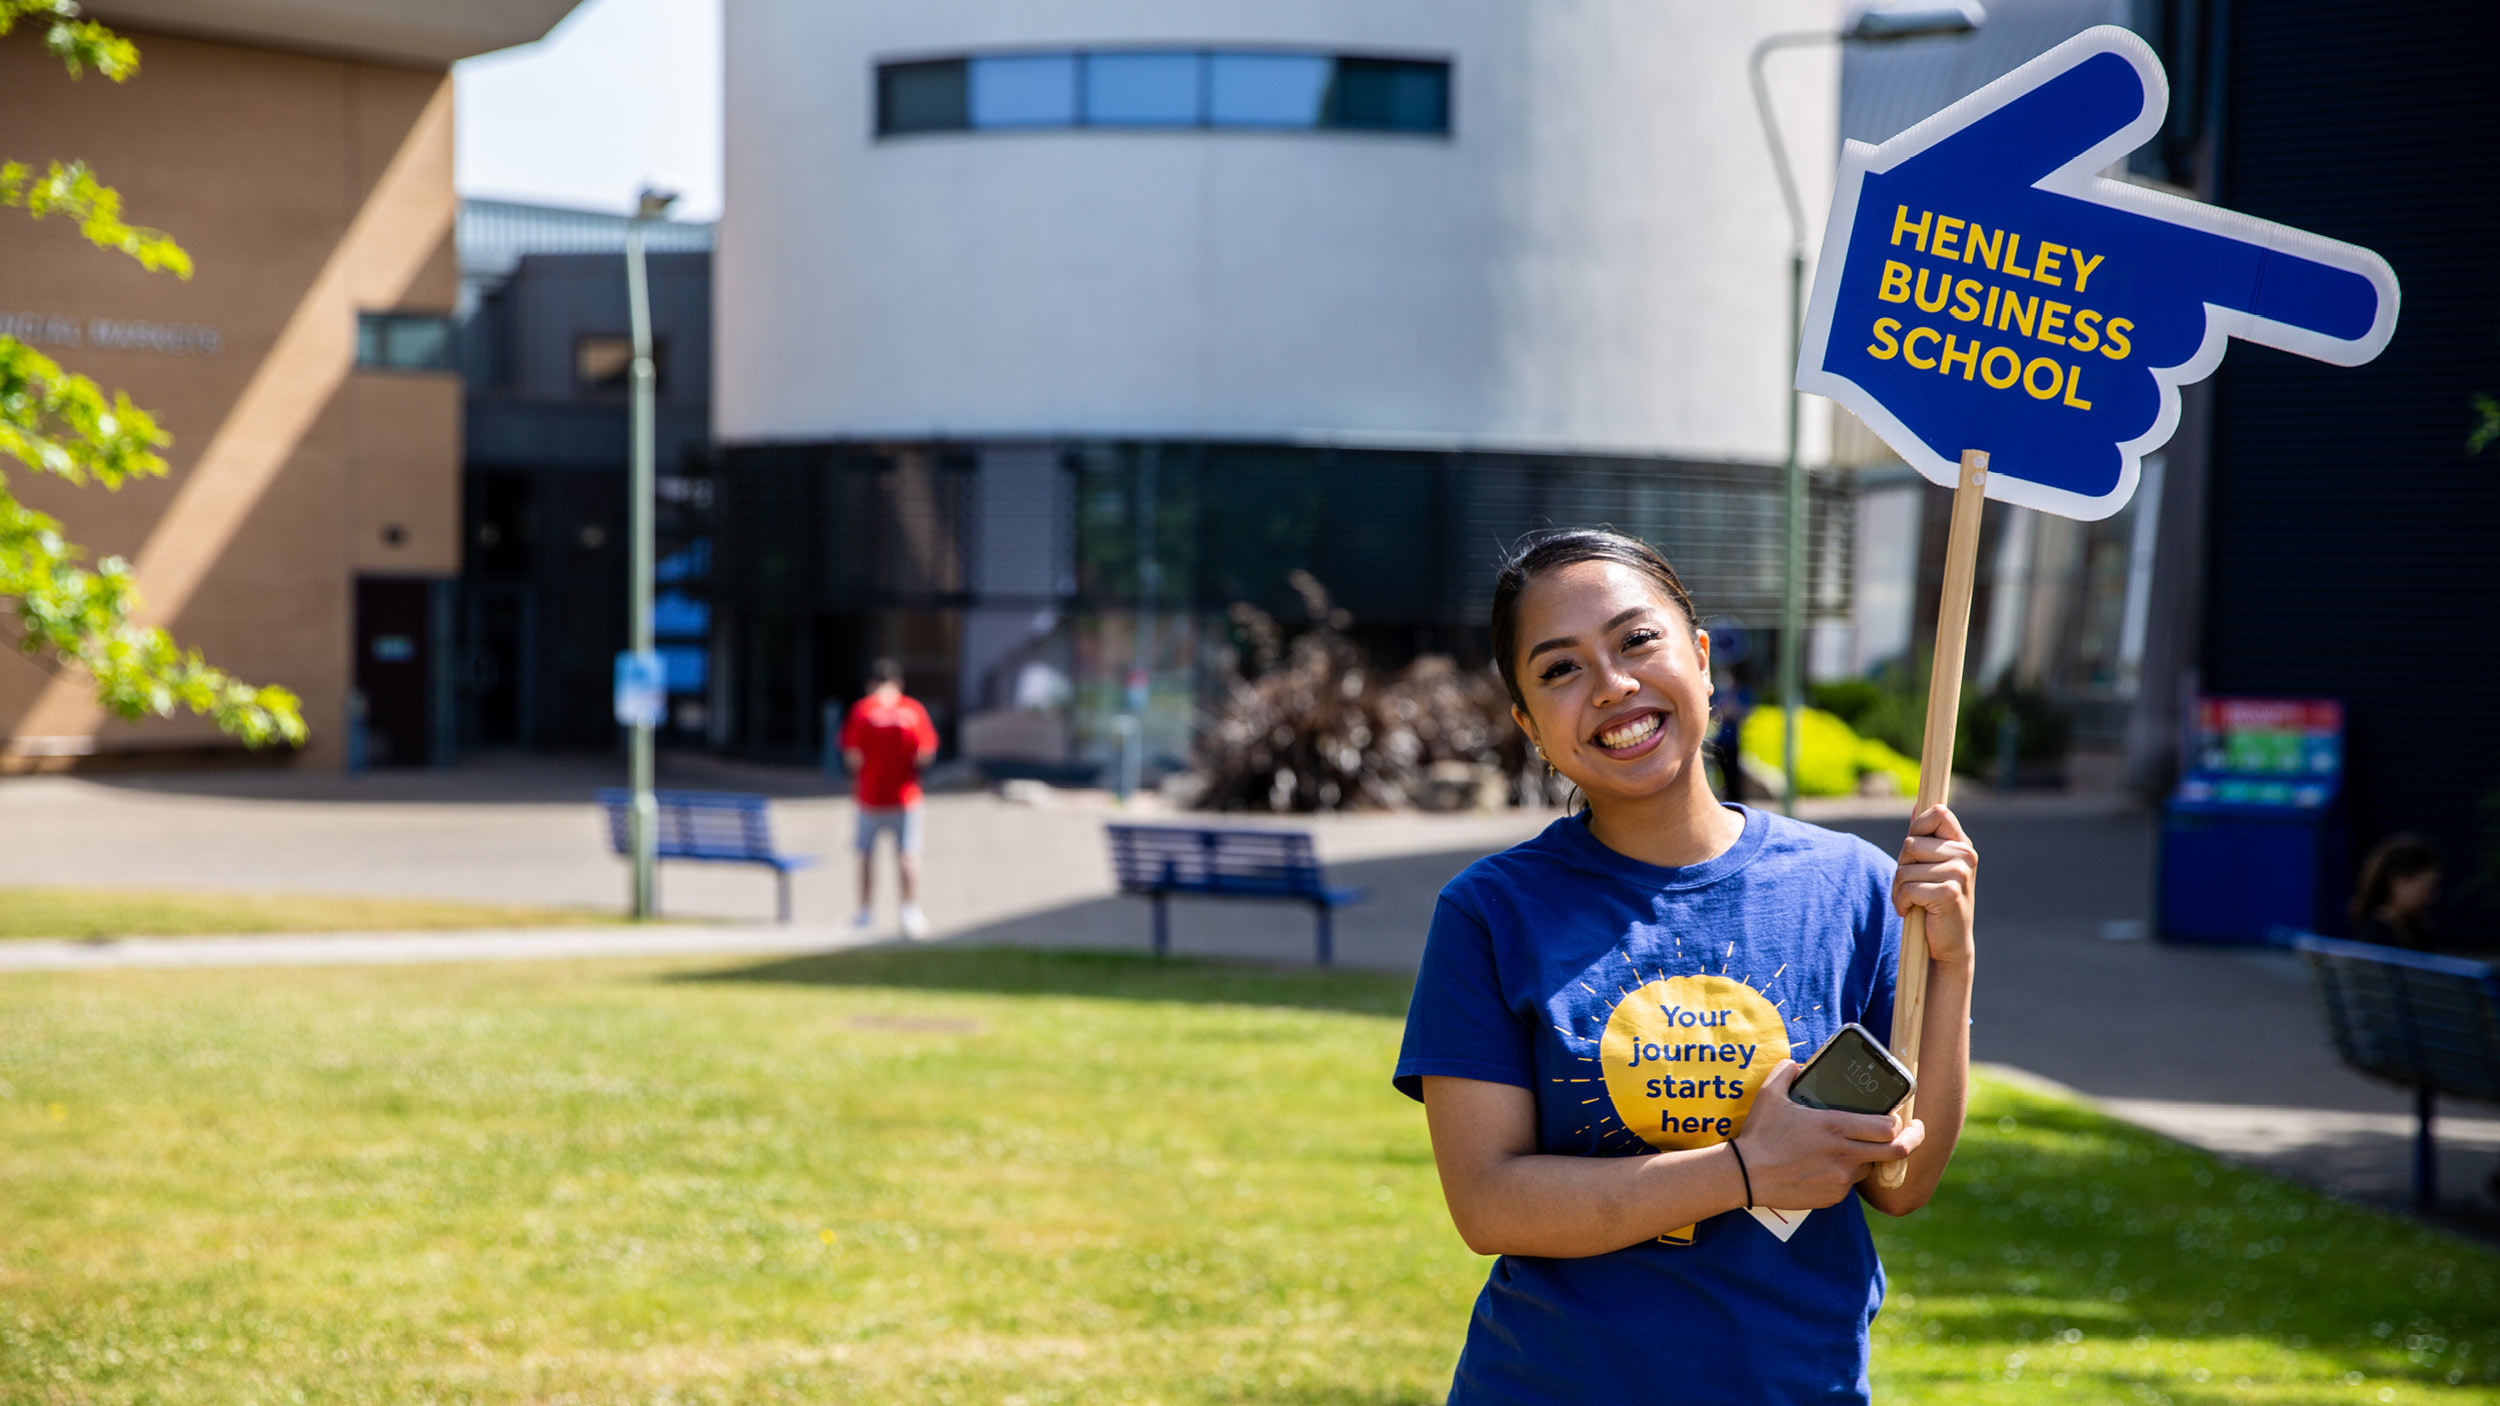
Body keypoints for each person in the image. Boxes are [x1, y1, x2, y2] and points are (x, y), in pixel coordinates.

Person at [1394, 528, 1977, 1404]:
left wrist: (1954, 962)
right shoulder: (1489, 912)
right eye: (1560, 670)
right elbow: (1489, 1205)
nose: (1613, 686)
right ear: (1527, 722)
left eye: (1638, 641)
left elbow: (1900, 1185)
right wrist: (1745, 1171)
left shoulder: (1857, 887)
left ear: (1702, 660)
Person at [840, 658, 939, 937]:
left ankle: (864, 912)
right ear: (898, 683)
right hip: (906, 796)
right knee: (908, 856)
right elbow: (925, 755)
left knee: (866, 856)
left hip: (869, 797)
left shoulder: (862, 710)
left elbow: (852, 758)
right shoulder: (913, 710)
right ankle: (909, 912)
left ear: (871, 683)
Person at [2348, 834, 2440, 951]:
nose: (2430, 898)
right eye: (2425, 889)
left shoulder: (2415, 928)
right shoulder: (2373, 938)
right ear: (2398, 882)